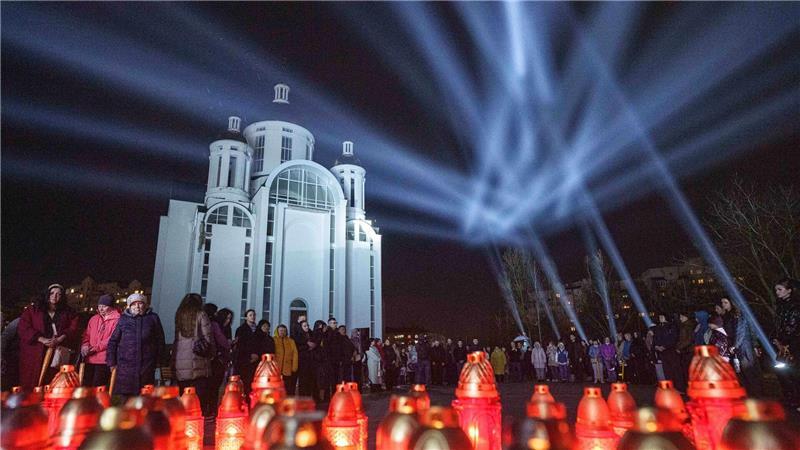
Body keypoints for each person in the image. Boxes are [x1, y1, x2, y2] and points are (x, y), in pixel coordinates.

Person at [18, 283, 80, 389]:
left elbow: (73, 327)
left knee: (52, 379)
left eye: (58, 294)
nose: (54, 296)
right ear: (47, 294)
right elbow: (24, 327)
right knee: (32, 380)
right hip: (35, 351)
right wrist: (41, 339)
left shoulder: (68, 312)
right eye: (52, 293)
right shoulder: (33, 310)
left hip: (56, 351)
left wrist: (61, 338)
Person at [106, 293, 166, 398]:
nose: (137, 306)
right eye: (134, 304)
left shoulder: (153, 318)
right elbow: (113, 341)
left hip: (146, 366)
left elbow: (160, 340)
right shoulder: (123, 319)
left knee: (145, 400)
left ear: (145, 305)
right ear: (129, 306)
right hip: (126, 368)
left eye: (140, 303)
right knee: (126, 401)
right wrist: (111, 362)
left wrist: (160, 361)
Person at [172, 293, 215, 416]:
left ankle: (183, 425)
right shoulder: (201, 315)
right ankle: (196, 426)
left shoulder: (179, 316)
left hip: (180, 362)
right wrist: (212, 354)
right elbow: (208, 338)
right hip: (199, 361)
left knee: (183, 398)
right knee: (199, 399)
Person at [80, 294, 120, 387]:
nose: (101, 309)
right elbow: (87, 334)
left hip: (104, 359)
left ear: (111, 307)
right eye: (99, 306)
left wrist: (95, 348)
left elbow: (112, 338)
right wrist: (85, 345)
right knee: (86, 385)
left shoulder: (117, 319)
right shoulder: (94, 319)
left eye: (104, 306)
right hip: (89, 358)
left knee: (98, 386)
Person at [773, 278, 800, 409]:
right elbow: (779, 325)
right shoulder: (781, 305)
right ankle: (791, 397)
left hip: (792, 345)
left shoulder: (794, 306)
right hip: (783, 345)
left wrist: (783, 341)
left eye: (780, 289)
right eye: (776, 290)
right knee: (782, 371)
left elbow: (792, 327)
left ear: (789, 290)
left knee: (792, 372)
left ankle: (795, 398)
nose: (777, 292)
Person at [209, 308, 233, 413]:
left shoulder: (226, 328)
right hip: (216, 359)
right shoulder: (215, 326)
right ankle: (211, 409)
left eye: (230, 319)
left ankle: (214, 408)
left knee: (218, 385)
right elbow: (222, 341)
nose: (228, 321)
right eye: (227, 318)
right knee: (214, 385)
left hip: (223, 359)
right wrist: (229, 343)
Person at [234, 310, 261, 396]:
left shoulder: (258, 330)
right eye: (250, 315)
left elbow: (261, 344)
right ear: (246, 317)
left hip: (256, 360)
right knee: (245, 383)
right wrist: (249, 355)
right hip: (245, 361)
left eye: (254, 315)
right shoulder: (241, 329)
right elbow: (240, 345)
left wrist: (257, 354)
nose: (252, 317)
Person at [274, 324, 298, 394]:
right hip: (276, 369)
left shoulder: (291, 341)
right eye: (281, 330)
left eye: (284, 331)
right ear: (277, 331)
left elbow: (295, 354)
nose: (282, 332)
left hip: (287, 369)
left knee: (287, 388)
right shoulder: (274, 340)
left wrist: (294, 367)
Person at [675, 312, 695, 392]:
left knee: (686, 370)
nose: (680, 318)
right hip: (686, 350)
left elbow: (687, 340)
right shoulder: (686, 326)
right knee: (686, 370)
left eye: (682, 316)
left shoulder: (687, 326)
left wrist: (679, 347)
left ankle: (688, 388)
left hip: (687, 350)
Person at [295, 320, 316, 397]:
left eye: (307, 325)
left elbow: (315, 343)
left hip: (311, 360)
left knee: (310, 380)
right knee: (303, 380)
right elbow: (297, 347)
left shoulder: (311, 334)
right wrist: (307, 346)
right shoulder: (298, 335)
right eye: (304, 326)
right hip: (303, 360)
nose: (307, 327)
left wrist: (312, 345)